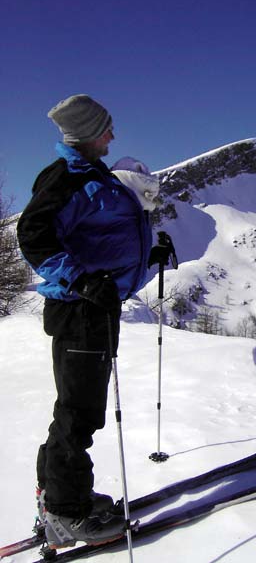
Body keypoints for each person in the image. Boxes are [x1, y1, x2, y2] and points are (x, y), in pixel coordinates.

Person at [17, 94, 162, 548]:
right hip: (81, 313)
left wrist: (151, 255)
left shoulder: (92, 175)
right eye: (106, 129)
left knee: (76, 409)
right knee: (79, 414)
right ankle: (66, 513)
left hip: (95, 310)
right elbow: (34, 236)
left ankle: (61, 495)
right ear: (86, 134)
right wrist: (81, 281)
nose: (113, 135)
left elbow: (98, 237)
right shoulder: (66, 178)